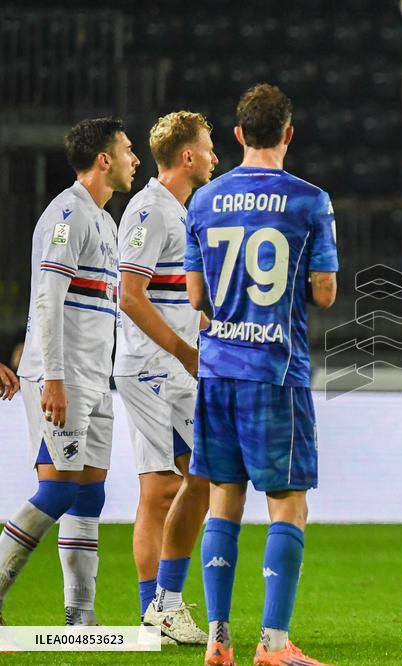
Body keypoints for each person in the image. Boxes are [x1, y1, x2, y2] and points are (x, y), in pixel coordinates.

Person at [184, 84, 338, 666]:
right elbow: (323, 292)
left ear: (239, 134)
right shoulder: (309, 200)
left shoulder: (203, 201)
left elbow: (196, 294)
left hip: (217, 368)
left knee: (224, 497)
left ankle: (216, 639)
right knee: (287, 502)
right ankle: (273, 645)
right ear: (289, 134)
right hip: (275, 369)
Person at [0, 118, 138, 626]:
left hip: (93, 379)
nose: (134, 159)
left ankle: (80, 616)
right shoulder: (67, 214)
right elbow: (49, 299)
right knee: (58, 490)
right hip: (61, 378)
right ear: (103, 159)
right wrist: (53, 377)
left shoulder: (104, 220)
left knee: (89, 494)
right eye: (127, 151)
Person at [115, 111, 217, 644]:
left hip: (175, 367)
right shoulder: (149, 210)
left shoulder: (180, 211)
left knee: (188, 483)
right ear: (186, 157)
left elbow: (171, 297)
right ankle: (158, 609)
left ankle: (159, 606)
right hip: (153, 369)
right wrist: (184, 351)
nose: (214, 157)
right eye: (208, 148)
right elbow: (128, 295)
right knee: (163, 489)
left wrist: (208, 333)